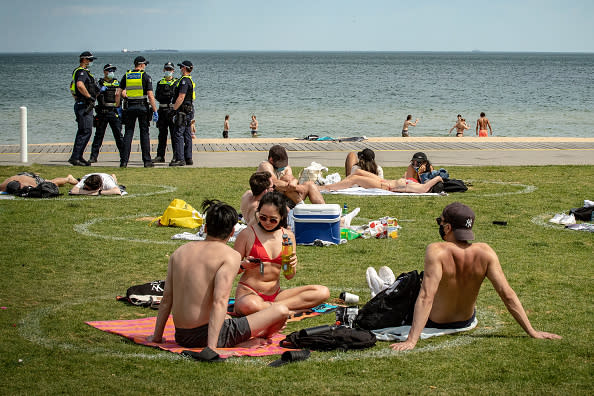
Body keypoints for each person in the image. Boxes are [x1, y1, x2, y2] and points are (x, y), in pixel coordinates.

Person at [390, 202, 562, 351]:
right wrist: (532, 331)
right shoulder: (486, 252)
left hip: (435, 321)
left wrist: (412, 340)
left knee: (410, 285)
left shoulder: (437, 250)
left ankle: (387, 287)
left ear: (448, 227)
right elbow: (507, 294)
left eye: (440, 222)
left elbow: (426, 296)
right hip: (465, 321)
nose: (440, 226)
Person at [148, 199, 289, 353]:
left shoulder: (179, 252)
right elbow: (220, 301)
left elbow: (167, 299)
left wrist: (157, 337)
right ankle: (251, 339)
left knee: (228, 318)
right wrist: (212, 348)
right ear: (231, 232)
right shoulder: (230, 256)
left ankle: (231, 340)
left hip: (181, 335)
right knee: (281, 311)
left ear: (206, 228)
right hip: (205, 336)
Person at [233, 192, 330, 315]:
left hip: (276, 294)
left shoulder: (288, 237)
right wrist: (242, 265)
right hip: (250, 293)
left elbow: (289, 276)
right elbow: (230, 269)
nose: (267, 222)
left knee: (322, 292)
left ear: (282, 218)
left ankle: (275, 309)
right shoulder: (247, 234)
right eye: (262, 217)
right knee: (248, 305)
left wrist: (292, 265)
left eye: (273, 220)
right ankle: (288, 309)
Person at [118, 56, 158, 168]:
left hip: (129, 107)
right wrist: (155, 111)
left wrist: (118, 107)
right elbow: (150, 95)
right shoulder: (145, 76)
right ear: (141, 65)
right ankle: (147, 161)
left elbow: (118, 93)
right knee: (144, 133)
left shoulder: (127, 76)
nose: (145, 66)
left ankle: (124, 161)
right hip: (142, 107)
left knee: (128, 133)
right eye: (145, 64)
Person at [256, 145, 325, 206]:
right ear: (271, 160)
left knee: (310, 184)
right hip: (270, 200)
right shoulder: (265, 165)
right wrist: (297, 188)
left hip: (286, 197)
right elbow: (274, 183)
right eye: (281, 163)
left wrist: (294, 182)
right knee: (285, 180)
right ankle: (301, 207)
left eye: (284, 163)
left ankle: (325, 211)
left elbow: (291, 181)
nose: (283, 166)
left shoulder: (286, 167)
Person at [68, 51, 99, 167]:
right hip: (84, 105)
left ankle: (78, 156)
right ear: (84, 60)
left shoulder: (80, 72)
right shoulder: (81, 71)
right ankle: (75, 157)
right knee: (85, 131)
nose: (91, 62)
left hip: (82, 103)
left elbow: (72, 87)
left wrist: (76, 97)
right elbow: (79, 85)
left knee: (84, 131)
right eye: (90, 60)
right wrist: (89, 97)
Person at [89, 64, 123, 163]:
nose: (111, 72)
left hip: (114, 112)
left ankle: (123, 156)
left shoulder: (118, 83)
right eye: (109, 70)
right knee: (98, 136)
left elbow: (124, 95)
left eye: (113, 70)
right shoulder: (99, 83)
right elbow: (93, 96)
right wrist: (99, 90)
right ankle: (93, 157)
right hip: (102, 112)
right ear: (104, 72)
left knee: (119, 136)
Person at [318, 169, 443, 194]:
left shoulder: (421, 188)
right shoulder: (417, 184)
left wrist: (437, 178)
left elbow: (424, 189)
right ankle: (340, 185)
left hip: (385, 186)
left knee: (356, 179)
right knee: (358, 172)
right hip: (385, 181)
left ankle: (327, 188)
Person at [169, 60, 196, 167]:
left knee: (178, 134)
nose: (180, 69)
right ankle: (188, 157)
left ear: (185, 68)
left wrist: (174, 110)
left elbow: (181, 97)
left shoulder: (184, 81)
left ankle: (180, 158)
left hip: (183, 110)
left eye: (181, 67)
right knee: (187, 134)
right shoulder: (190, 80)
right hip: (189, 109)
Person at [152, 62, 177, 164]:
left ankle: (176, 155)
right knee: (162, 135)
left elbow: (174, 97)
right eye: (166, 69)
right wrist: (168, 96)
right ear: (163, 70)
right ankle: (160, 156)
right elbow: (158, 96)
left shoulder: (176, 82)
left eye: (170, 69)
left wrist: (167, 96)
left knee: (174, 135)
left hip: (171, 111)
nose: (168, 71)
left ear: (173, 71)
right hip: (162, 111)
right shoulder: (160, 83)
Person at [1, 172, 78, 193]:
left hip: (32, 178)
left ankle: (68, 178)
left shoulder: (30, 184)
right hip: (23, 175)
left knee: (51, 183)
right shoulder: (3, 186)